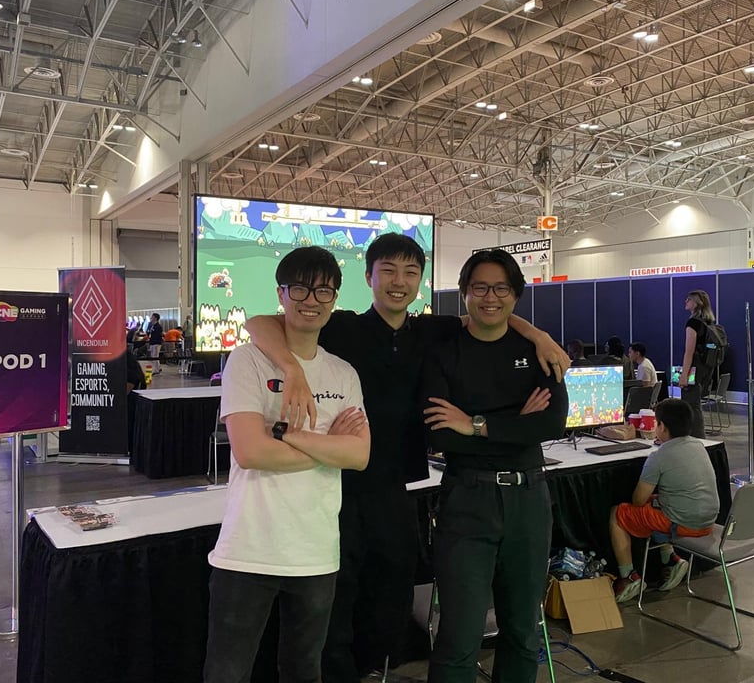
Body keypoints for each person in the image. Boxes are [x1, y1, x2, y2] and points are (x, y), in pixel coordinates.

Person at [245, 233, 569, 682]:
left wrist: (537, 335)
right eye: (389, 271)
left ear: (421, 281)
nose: (400, 282)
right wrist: (290, 367)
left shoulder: (431, 331)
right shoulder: (343, 327)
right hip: (336, 483)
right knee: (335, 598)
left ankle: (372, 671)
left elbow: (489, 313)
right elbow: (259, 323)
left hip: (396, 488)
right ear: (369, 277)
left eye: (411, 272)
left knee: (388, 599)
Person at [203, 246, 370, 683]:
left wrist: (284, 433)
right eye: (300, 289)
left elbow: (358, 456)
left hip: (315, 553)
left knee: (304, 672)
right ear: (281, 293)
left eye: (323, 291)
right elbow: (251, 453)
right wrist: (327, 446)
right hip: (247, 549)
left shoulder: (343, 374)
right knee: (226, 673)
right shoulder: (246, 360)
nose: (311, 300)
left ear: (334, 299)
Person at [422, 248, 568, 683]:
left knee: (523, 630)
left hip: (529, 501)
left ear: (516, 295)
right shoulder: (443, 352)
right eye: (480, 287)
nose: (491, 297)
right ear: (464, 292)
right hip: (467, 499)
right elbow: (440, 434)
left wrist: (475, 423)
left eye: (501, 288)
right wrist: (515, 421)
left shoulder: (537, 350)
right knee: (459, 635)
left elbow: (551, 422)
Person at [609, 398, 719, 602]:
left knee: (618, 513)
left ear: (662, 427)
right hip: (707, 522)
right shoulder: (698, 446)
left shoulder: (659, 457)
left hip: (684, 524)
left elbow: (638, 500)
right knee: (658, 502)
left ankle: (628, 576)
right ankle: (670, 559)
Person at [678, 289, 715, 438]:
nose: (685, 301)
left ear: (696, 303)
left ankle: (697, 437)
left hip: (693, 369)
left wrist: (684, 375)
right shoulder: (708, 323)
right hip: (706, 368)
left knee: (691, 405)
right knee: (696, 404)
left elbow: (689, 351)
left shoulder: (693, 323)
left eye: (689, 299)